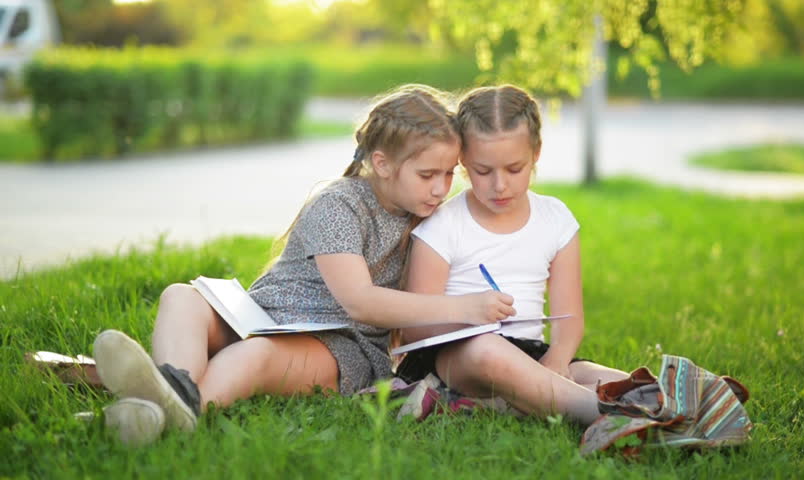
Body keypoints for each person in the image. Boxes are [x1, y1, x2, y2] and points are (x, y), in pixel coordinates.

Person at [92, 84, 517, 446]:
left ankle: (174, 407)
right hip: (261, 315)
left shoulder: (433, 220)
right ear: (383, 164)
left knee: (255, 355)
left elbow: (359, 318)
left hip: (338, 345)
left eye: (448, 174)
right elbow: (361, 301)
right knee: (181, 296)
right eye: (428, 175)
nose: (441, 188)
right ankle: (175, 390)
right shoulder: (339, 205)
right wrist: (465, 308)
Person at [396, 85, 629, 425]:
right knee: (488, 350)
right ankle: (602, 415)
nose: (500, 185)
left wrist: (558, 360)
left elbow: (569, 318)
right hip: (455, 356)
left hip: (529, 353)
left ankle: (669, 404)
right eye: (483, 171)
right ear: (462, 161)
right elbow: (415, 328)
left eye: (514, 169)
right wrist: (469, 313)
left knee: (608, 378)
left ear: (536, 153)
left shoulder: (556, 219)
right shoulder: (443, 224)